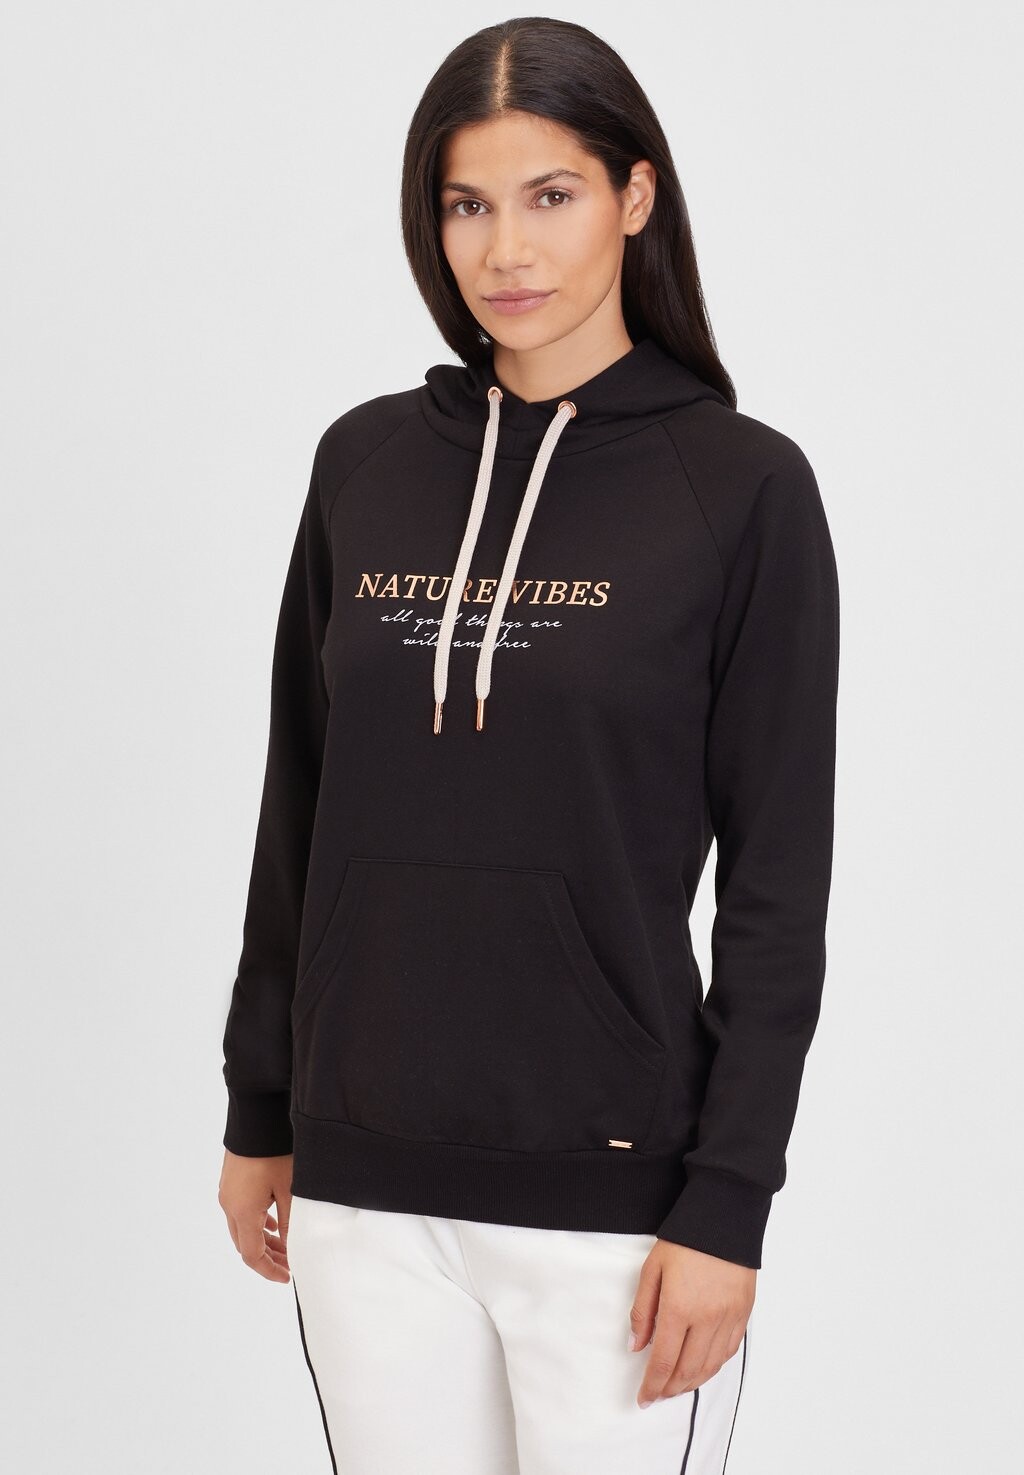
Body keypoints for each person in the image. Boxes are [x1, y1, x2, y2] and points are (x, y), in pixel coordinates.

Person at [217, 17, 840, 1475]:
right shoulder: (365, 464)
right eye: (466, 204)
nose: (504, 249)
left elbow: (777, 887)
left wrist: (729, 1200)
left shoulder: (742, 490)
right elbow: (298, 807)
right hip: (366, 1182)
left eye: (550, 195)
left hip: (619, 1199)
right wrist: (261, 1106)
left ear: (635, 196)